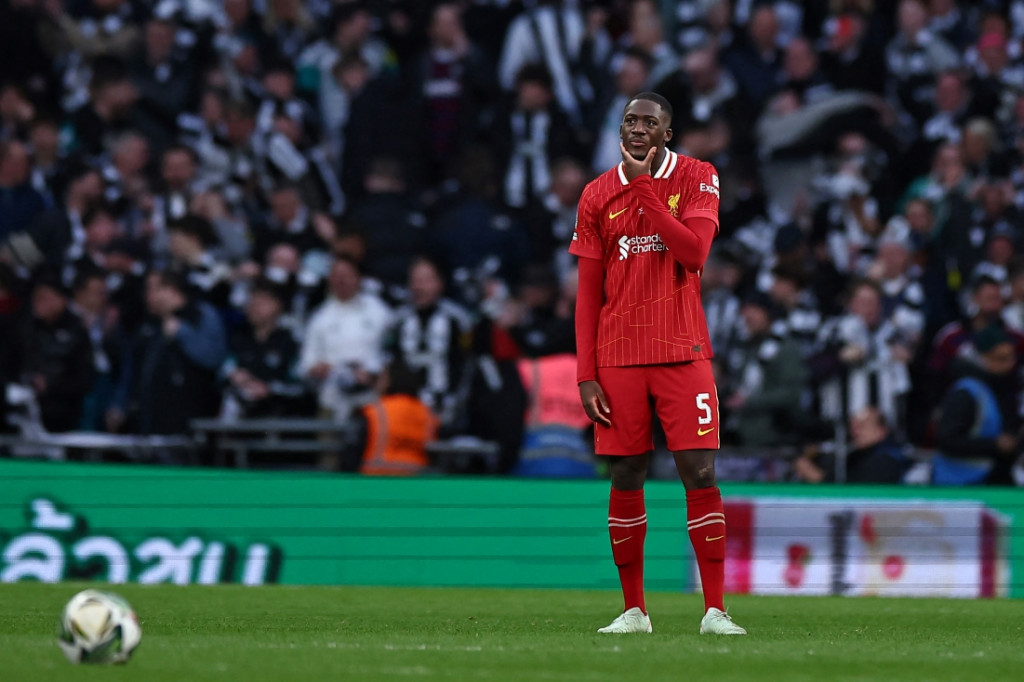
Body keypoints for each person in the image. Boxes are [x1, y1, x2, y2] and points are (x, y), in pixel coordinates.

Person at [570, 92, 745, 635]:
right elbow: (587, 293)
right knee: (626, 473)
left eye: (649, 122)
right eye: (630, 120)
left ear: (667, 133)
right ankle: (634, 611)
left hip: (682, 349)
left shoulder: (697, 175)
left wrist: (644, 186)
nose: (638, 128)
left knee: (700, 472)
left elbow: (694, 254)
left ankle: (715, 610)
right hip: (619, 355)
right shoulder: (596, 193)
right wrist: (585, 374)